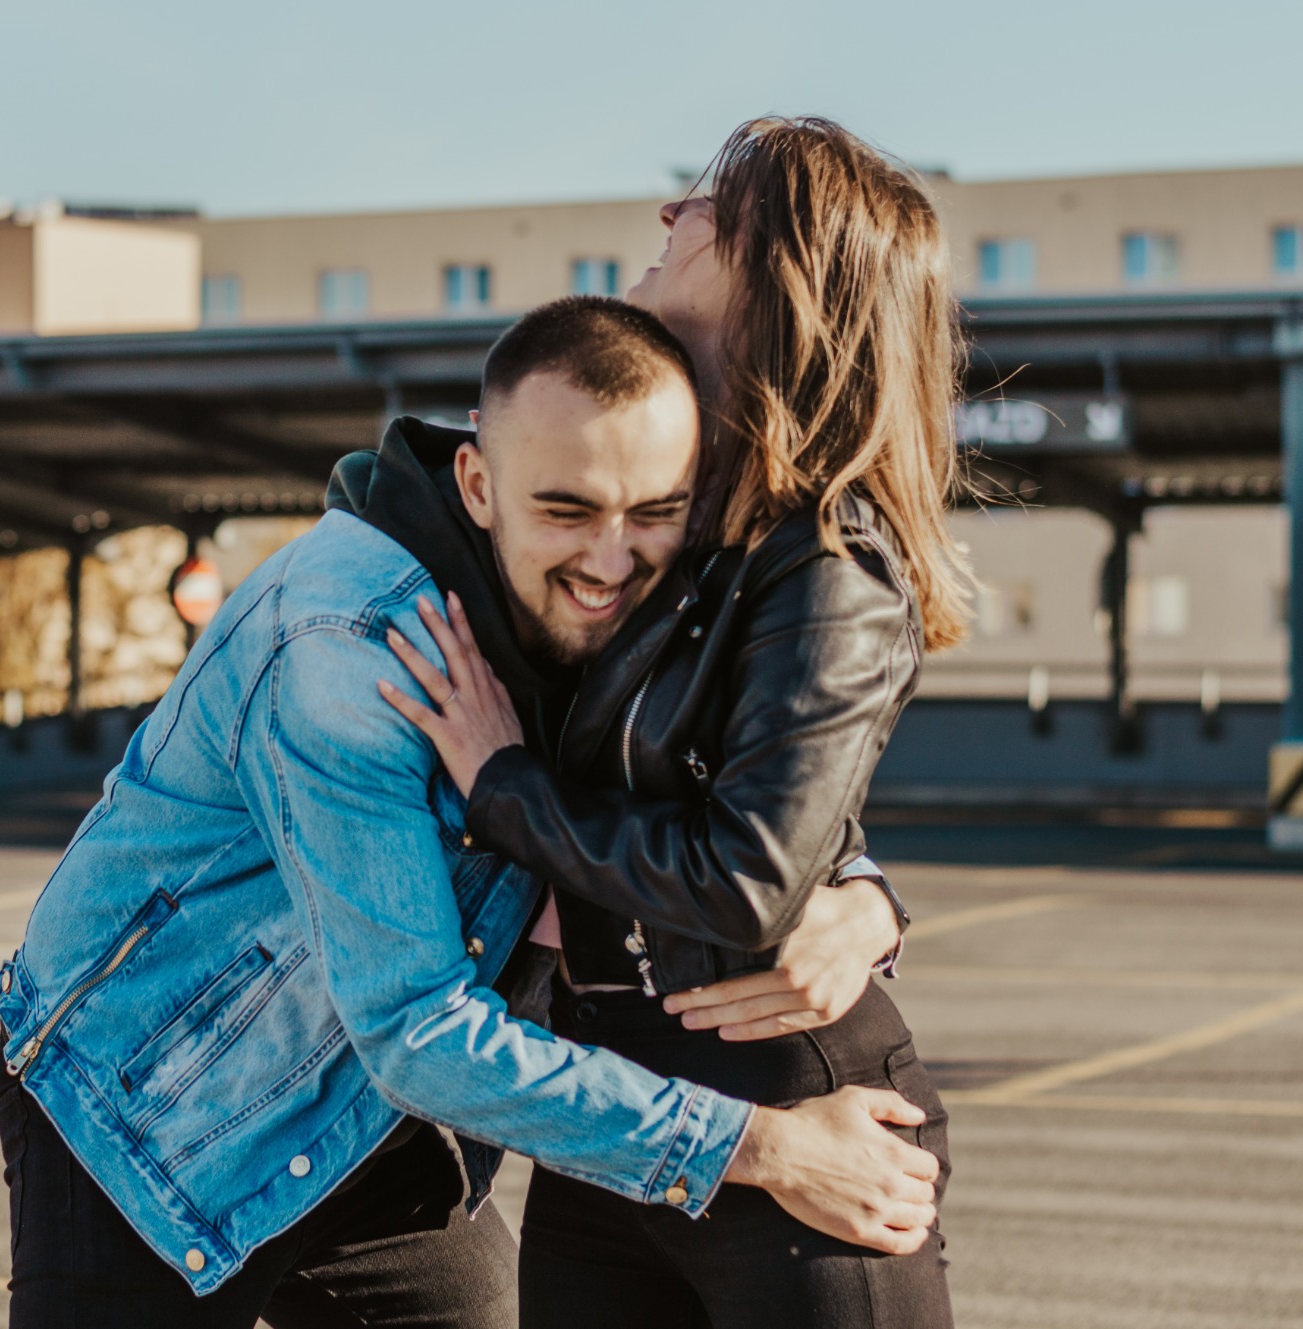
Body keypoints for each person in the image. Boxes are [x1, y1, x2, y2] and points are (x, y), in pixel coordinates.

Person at [0, 295, 943, 1329]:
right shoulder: (348, 659)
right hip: (158, 1116)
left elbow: (732, 783)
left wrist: (859, 892)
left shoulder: (623, 601)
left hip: (382, 1120)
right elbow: (414, 1029)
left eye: (653, 512)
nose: (612, 560)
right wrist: (764, 1149)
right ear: (478, 485)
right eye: (567, 511)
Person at [376, 117, 972, 1328]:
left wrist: (502, 785)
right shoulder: (665, 528)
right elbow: (396, 476)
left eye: (699, 204)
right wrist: (871, 894)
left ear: (773, 271)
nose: (664, 220)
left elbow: (748, 878)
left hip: (793, 1112)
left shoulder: (830, 569)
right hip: (618, 1122)